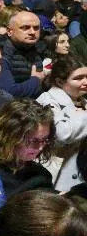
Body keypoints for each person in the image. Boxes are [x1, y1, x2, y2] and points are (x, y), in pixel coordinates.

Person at [0, 99, 56, 195]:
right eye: (33, 140)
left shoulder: (41, 176)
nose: (40, 147)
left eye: (45, 139)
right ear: (9, 135)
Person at [36, 55, 87, 191]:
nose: (85, 81)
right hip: (57, 173)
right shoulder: (47, 100)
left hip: (80, 172)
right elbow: (63, 133)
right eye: (78, 78)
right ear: (59, 81)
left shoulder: (83, 101)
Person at [0, 10, 45, 97]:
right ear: (10, 31)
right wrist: (36, 80)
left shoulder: (39, 49)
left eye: (36, 28)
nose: (32, 32)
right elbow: (8, 93)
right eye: (25, 27)